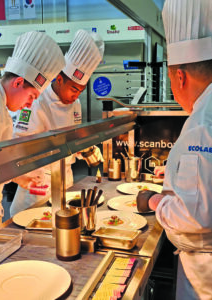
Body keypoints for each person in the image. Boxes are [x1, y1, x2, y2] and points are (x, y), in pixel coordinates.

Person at [138, 0, 212, 299]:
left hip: (204, 274)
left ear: (179, 76)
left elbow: (194, 217)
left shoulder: (202, 122)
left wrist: (154, 200)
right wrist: (173, 174)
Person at [10, 29, 104, 216]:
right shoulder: (36, 100)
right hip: (37, 188)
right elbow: (20, 145)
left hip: (66, 182)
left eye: (80, 91)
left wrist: (85, 146)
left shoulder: (75, 104)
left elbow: (74, 136)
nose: (76, 96)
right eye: (73, 89)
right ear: (59, 79)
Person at [0, 30, 65, 226]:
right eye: (31, 96)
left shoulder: (0, 105)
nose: (30, 105)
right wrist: (17, 172)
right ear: (18, 82)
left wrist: (20, 177)